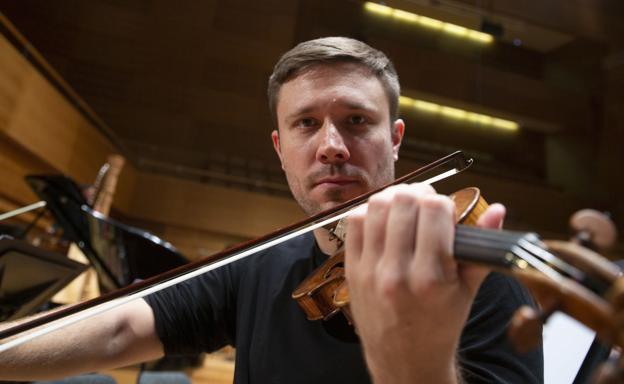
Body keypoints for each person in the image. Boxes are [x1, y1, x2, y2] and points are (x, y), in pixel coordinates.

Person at [0, 37, 543, 383]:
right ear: (281, 149)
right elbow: (119, 328)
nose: (331, 144)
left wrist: (416, 360)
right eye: (306, 123)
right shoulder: (259, 266)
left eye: (357, 120)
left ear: (395, 139)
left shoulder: (476, 276)